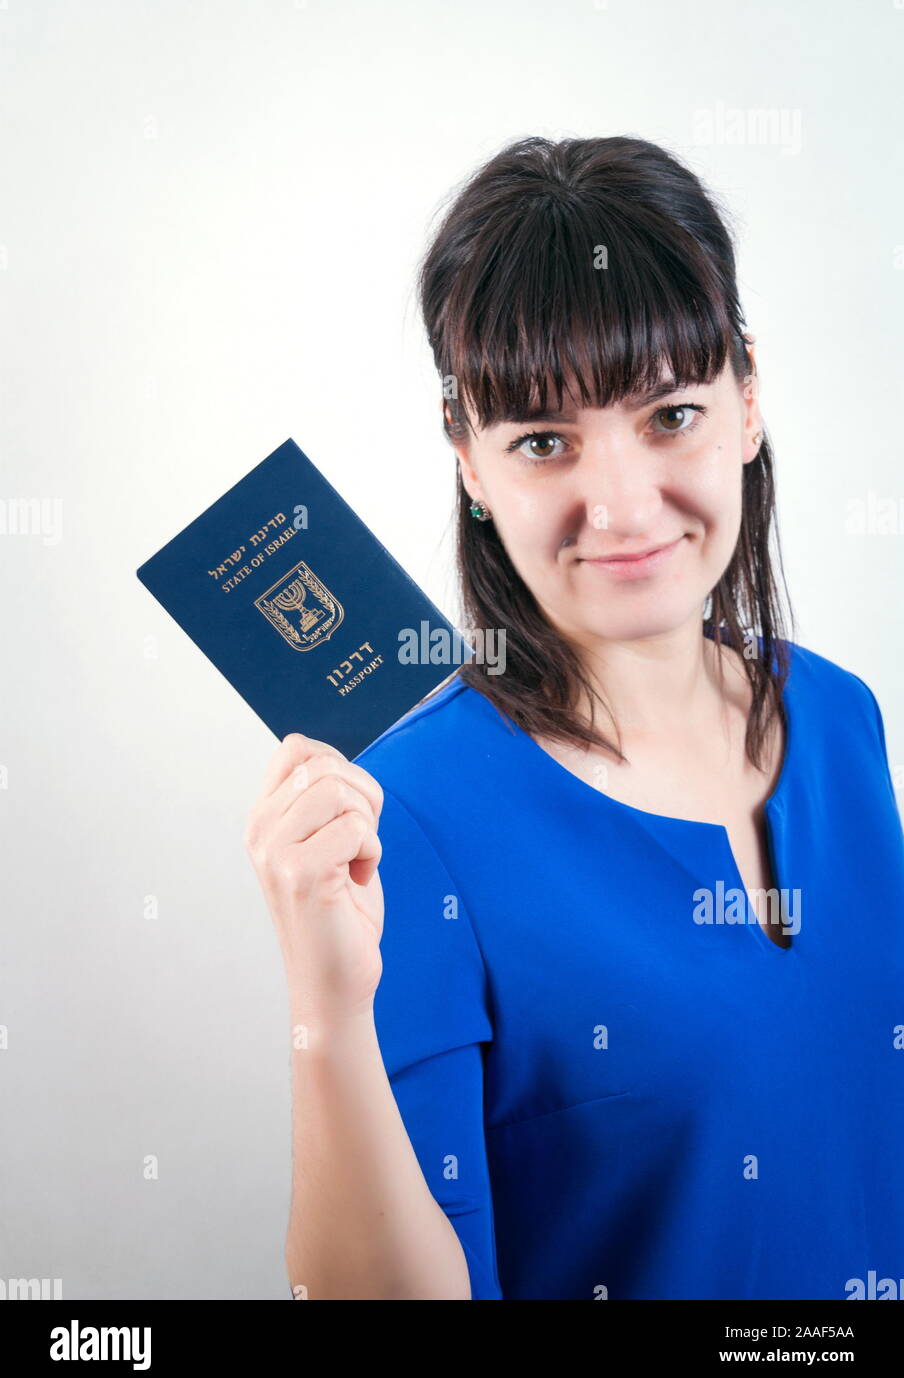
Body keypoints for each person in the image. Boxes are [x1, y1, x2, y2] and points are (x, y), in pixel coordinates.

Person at [245, 136, 904, 1300]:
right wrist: (328, 1014)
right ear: (469, 464)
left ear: (748, 402)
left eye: (670, 414)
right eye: (542, 441)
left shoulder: (844, 720)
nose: (619, 504)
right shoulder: (414, 825)